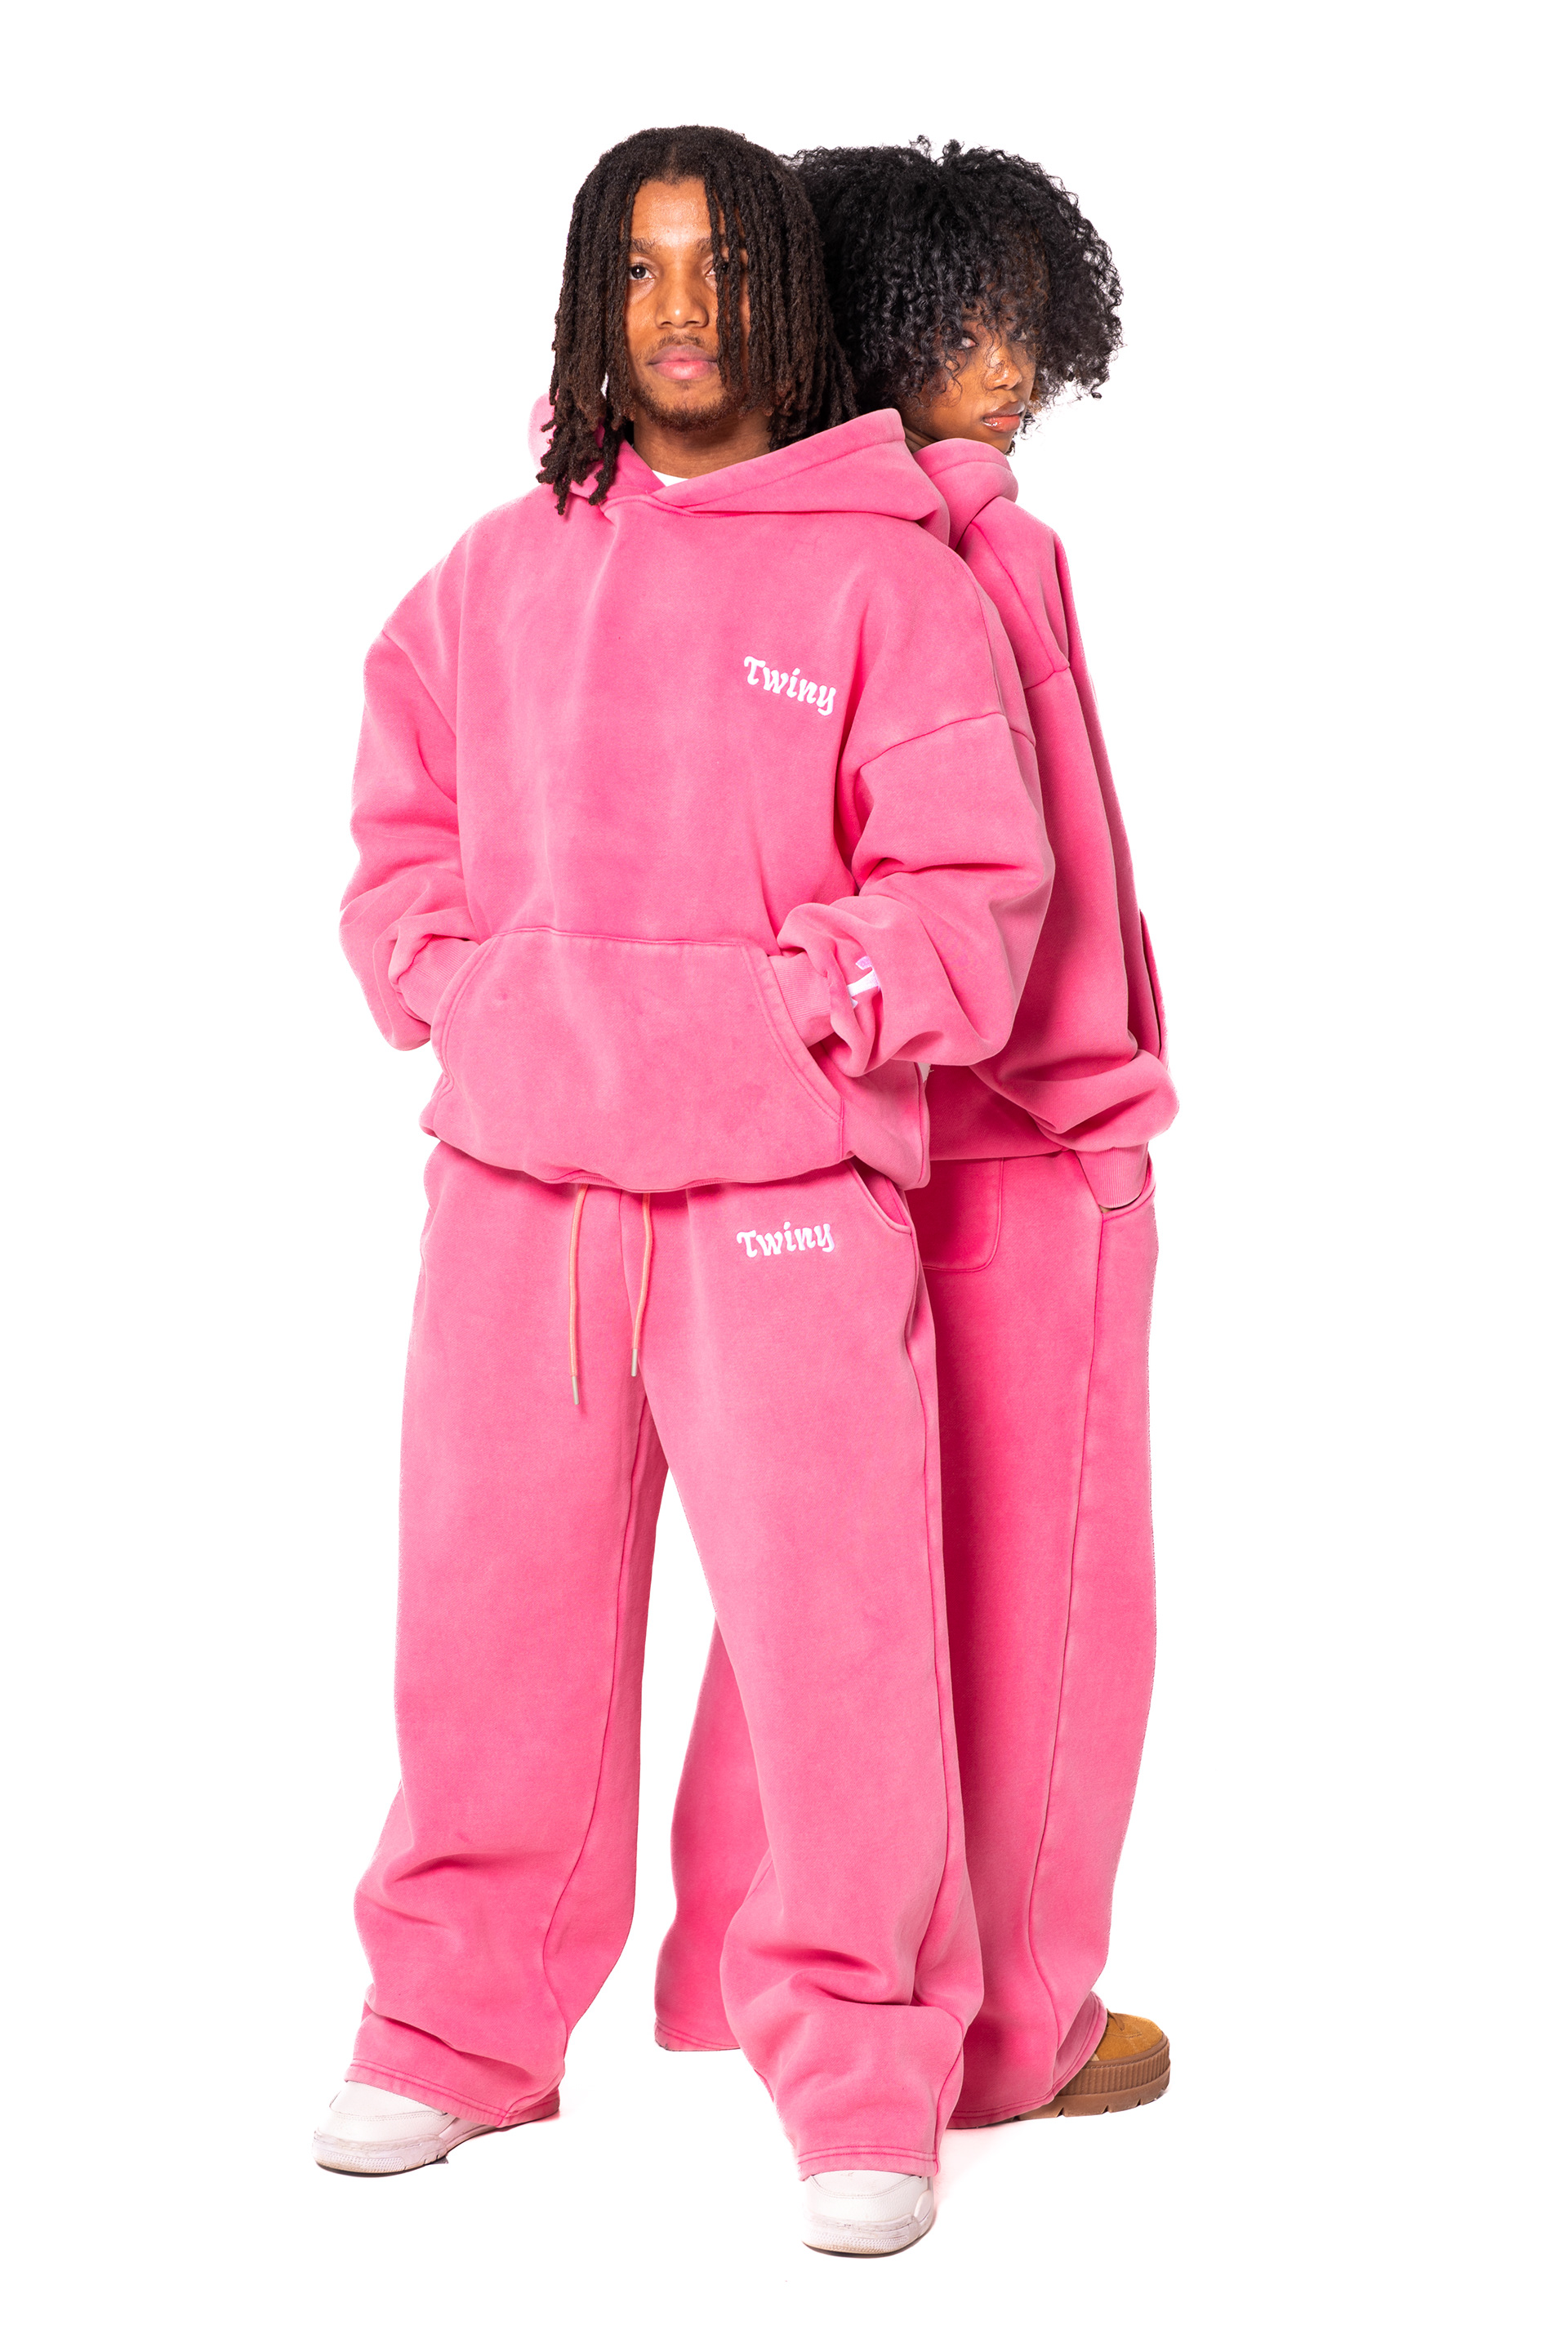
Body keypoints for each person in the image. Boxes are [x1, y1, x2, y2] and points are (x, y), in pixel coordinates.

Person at [314, 124, 1051, 2258]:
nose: (678, 311)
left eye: (720, 267)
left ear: (783, 297)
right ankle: (455, 2028)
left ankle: (864, 2065)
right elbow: (400, 833)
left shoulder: (887, 584)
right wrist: (460, 990)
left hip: (784, 1198)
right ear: (589, 300)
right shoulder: (493, 573)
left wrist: (789, 1014)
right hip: (518, 1194)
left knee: (840, 1641)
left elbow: (970, 900)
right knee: (486, 1624)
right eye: (636, 268)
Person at [655, 138, 1178, 2133]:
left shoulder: (731, 545)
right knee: (1045, 1596)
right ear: (875, 321)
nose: (1014, 360)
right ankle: (1010, 2025)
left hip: (811, 1135)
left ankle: (742, 1979)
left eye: (1028, 318)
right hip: (1015, 1139)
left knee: (819, 1586)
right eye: (972, 316)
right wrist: (1100, 1093)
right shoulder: (972, 547)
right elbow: (1052, 869)